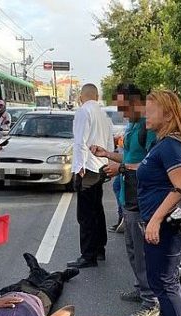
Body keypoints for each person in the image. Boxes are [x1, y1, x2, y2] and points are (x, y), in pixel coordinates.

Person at [91, 83, 159, 316]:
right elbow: (130, 158)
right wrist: (107, 154)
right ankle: (142, 289)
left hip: (142, 198)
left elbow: (152, 164)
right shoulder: (132, 127)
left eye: (123, 105)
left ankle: (151, 301)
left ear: (136, 102)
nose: (121, 110)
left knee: (142, 253)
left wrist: (119, 167)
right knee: (131, 249)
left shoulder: (148, 128)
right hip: (128, 198)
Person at [136, 89, 181, 316]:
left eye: (152, 108)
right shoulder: (161, 143)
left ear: (168, 113)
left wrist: (155, 220)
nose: (146, 112)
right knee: (161, 279)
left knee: (165, 283)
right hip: (156, 221)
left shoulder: (172, 145)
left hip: (166, 226)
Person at [67, 83, 114, 269]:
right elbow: (109, 143)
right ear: (96, 95)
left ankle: (87, 256)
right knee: (97, 210)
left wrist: (78, 168)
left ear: (82, 95)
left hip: (87, 168)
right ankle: (99, 249)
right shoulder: (103, 114)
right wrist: (109, 164)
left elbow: (80, 142)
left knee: (85, 214)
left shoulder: (83, 111)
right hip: (101, 167)